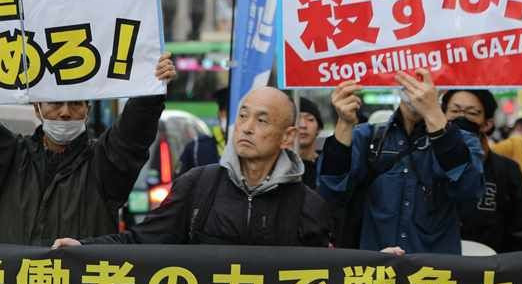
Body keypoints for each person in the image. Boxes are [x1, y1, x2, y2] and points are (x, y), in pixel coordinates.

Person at [0, 50, 176, 246]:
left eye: (76, 104)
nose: (65, 113)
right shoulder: (12, 158)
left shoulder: (105, 164)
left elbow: (134, 132)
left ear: (87, 110)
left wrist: (151, 89)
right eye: (55, 103)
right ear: (38, 109)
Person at [53, 86, 332, 248]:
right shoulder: (199, 185)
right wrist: (85, 249)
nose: (246, 128)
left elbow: (326, 279)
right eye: (243, 116)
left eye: (261, 121)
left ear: (287, 136)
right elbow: (143, 241)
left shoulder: (307, 205)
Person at [318, 69, 484, 253]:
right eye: (409, 76)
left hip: (435, 273)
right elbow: (329, 192)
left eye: (425, 78)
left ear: (442, 89)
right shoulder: (366, 136)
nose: (416, 85)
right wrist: (344, 123)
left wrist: (433, 114)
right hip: (375, 269)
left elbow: (469, 189)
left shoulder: (464, 141)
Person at [442, 89, 522, 252]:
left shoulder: (507, 170)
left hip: (490, 269)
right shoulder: (426, 163)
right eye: (454, 111)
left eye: (472, 112)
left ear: (487, 123)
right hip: (435, 268)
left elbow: (520, 231)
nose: (461, 118)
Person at [179, 87, 228, 173]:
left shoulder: (254, 150)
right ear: (219, 114)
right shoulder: (196, 148)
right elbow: (180, 184)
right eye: (227, 112)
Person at [295, 98, 323, 189]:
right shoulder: (277, 166)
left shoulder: (327, 163)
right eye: (296, 119)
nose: (303, 125)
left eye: (310, 119)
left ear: (319, 128)